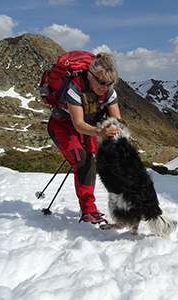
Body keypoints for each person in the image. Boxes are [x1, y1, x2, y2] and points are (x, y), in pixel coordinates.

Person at [48, 52, 121, 224]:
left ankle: (89, 209)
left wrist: (119, 131)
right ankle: (88, 210)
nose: (104, 87)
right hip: (63, 127)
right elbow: (78, 123)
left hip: (90, 128)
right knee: (82, 163)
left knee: (91, 163)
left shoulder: (109, 91)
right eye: (101, 82)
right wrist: (101, 133)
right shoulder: (74, 88)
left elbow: (117, 119)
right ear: (90, 75)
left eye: (109, 83)